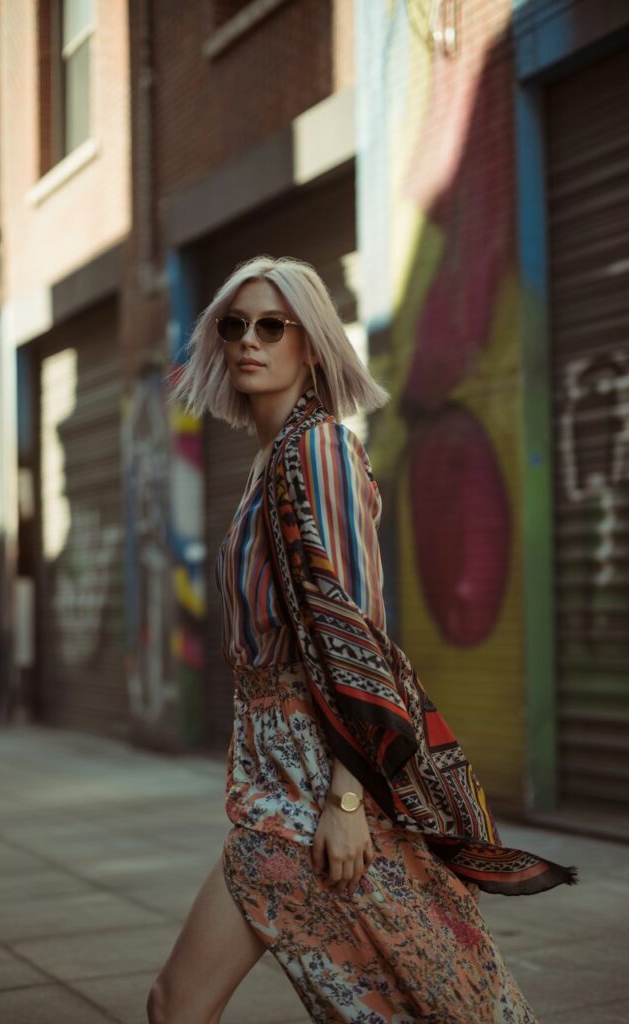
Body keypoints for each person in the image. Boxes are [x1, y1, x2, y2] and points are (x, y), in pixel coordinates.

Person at [147, 255, 576, 1024]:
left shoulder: (318, 452)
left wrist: (345, 799)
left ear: (309, 344)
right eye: (234, 324)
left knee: (191, 1003)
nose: (250, 340)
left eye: (271, 326)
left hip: (317, 778)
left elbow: (355, 636)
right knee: (380, 994)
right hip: (273, 775)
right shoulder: (271, 460)